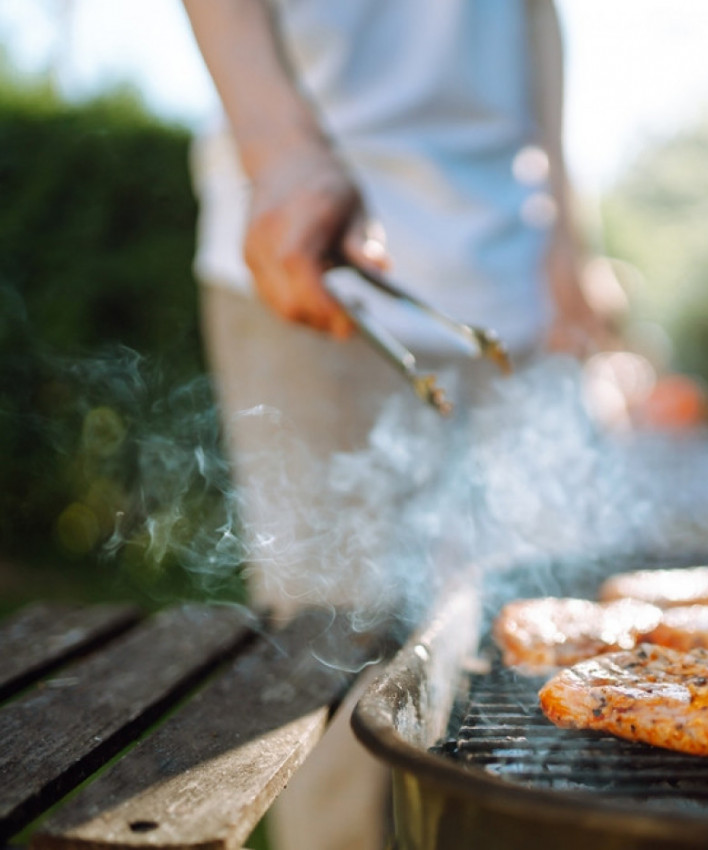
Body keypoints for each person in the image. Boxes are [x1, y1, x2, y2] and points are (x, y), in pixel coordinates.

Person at [181, 2, 596, 849]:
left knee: (507, 645)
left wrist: (565, 228)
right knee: (334, 648)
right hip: (308, 242)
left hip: (505, 261)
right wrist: (278, 148)